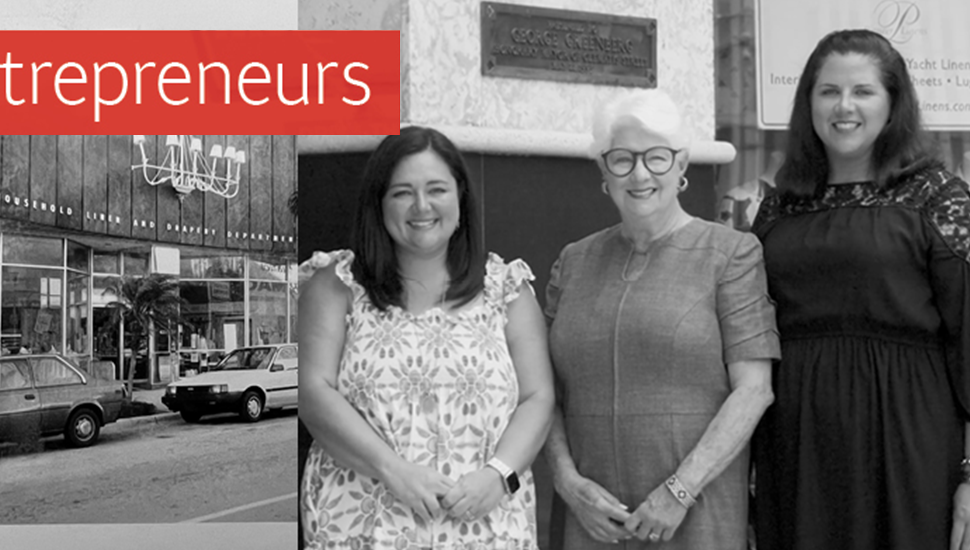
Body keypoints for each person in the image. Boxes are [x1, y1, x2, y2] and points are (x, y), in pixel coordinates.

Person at [748, 30, 970, 550]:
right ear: (808, 103)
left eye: (862, 91)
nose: (844, 106)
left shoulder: (938, 198)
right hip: (796, 437)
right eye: (828, 91)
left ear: (892, 103)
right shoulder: (779, 205)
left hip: (908, 432)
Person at [297, 127, 556, 549]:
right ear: (378, 203)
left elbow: (538, 397)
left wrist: (499, 475)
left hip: (485, 522)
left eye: (437, 189)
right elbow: (313, 391)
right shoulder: (337, 285)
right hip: (362, 523)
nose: (421, 206)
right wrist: (393, 470)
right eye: (402, 193)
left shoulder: (507, 289)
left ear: (460, 198)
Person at [543, 89, 780, 549]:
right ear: (603, 171)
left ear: (681, 165)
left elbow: (754, 390)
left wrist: (679, 492)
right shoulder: (574, 261)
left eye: (656, 157)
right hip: (591, 519)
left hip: (694, 513)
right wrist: (567, 482)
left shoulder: (731, 253)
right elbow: (542, 390)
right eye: (622, 159)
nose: (639, 174)